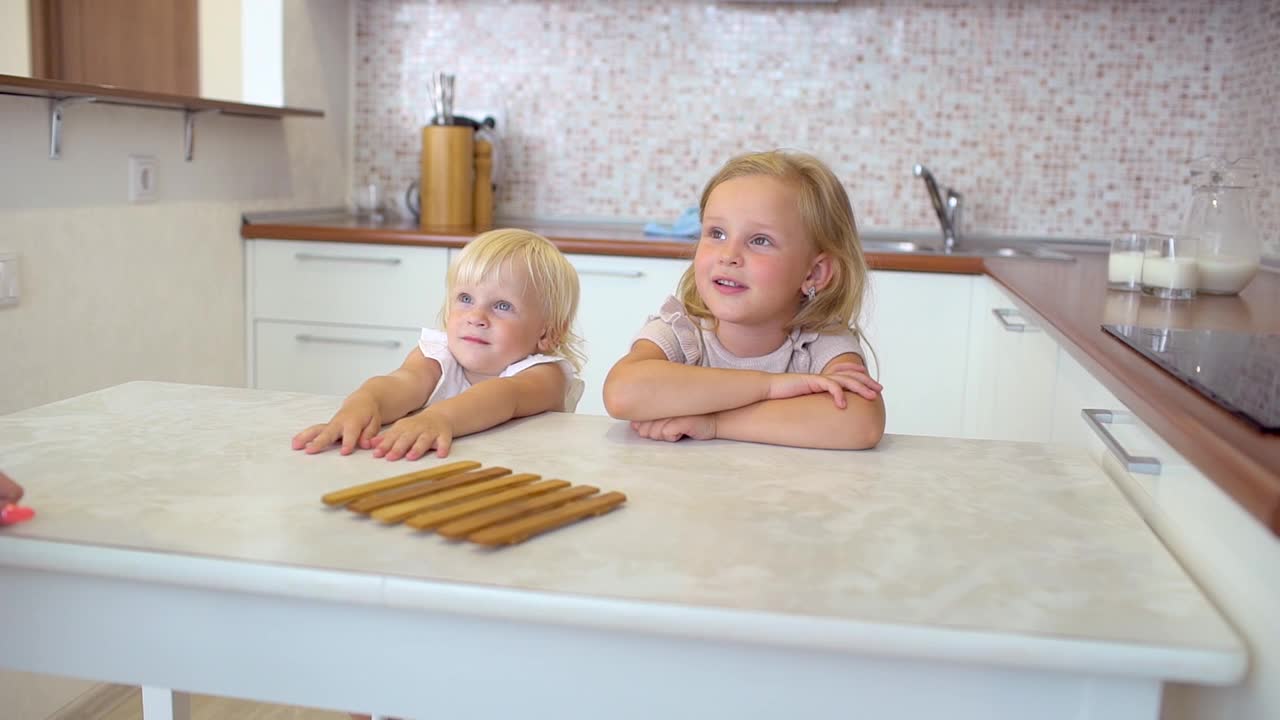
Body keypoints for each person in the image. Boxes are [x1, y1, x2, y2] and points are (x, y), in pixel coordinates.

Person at [604, 150, 885, 449]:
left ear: (813, 273)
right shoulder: (680, 331)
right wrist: (768, 386)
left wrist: (714, 423)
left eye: (759, 240)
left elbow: (862, 422)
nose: (729, 256)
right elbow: (623, 393)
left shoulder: (818, 343)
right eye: (717, 233)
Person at [293, 229, 585, 461]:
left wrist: (439, 418)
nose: (476, 317)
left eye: (502, 305)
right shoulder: (439, 354)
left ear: (547, 333)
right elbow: (404, 382)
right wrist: (364, 404)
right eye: (466, 298)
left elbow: (503, 396)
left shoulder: (546, 375)